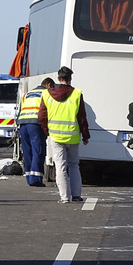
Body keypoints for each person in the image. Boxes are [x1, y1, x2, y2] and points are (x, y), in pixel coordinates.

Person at [39, 67, 90, 203]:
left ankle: (64, 197)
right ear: (70, 78)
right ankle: (77, 195)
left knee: (60, 165)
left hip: (55, 136)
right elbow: (82, 118)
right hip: (73, 136)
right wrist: (85, 136)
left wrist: (46, 131)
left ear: (58, 78)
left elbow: (42, 116)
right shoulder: (77, 94)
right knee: (74, 165)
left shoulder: (47, 94)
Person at [17, 78, 54, 187]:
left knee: (27, 152)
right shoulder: (46, 93)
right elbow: (49, 110)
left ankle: (29, 177)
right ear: (48, 85)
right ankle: (36, 179)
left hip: (23, 124)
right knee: (38, 151)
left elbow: (20, 109)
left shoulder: (27, 94)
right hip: (36, 124)